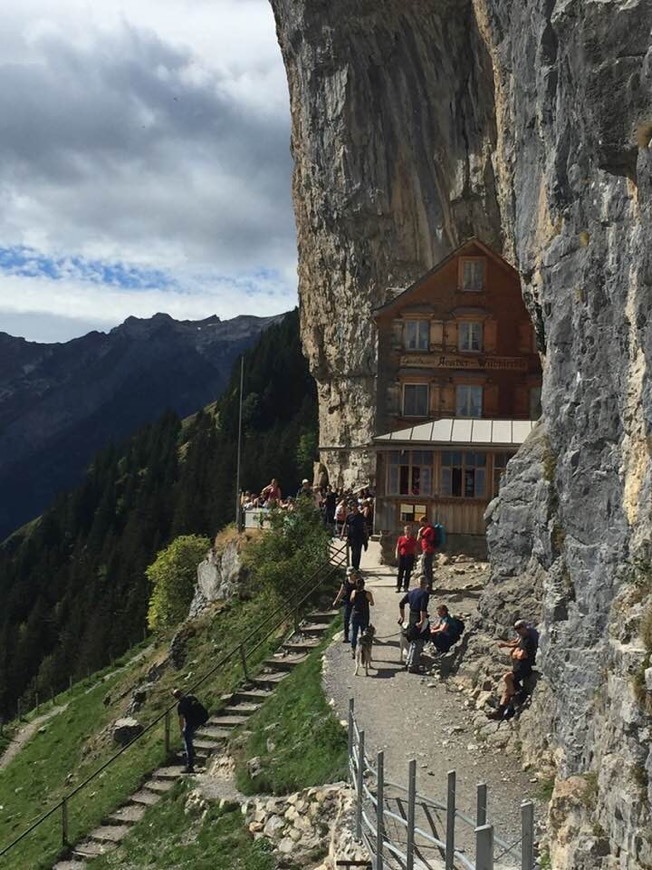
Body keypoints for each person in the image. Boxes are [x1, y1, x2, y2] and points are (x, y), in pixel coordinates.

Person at [486, 620, 538, 719]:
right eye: (516, 629)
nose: (517, 631)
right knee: (507, 690)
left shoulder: (529, 640)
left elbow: (521, 655)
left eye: (519, 628)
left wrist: (516, 652)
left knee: (507, 677)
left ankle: (515, 698)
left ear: (524, 627)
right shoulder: (522, 638)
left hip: (524, 668)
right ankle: (500, 711)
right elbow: (516, 647)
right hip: (518, 667)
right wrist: (511, 648)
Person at [398, 576, 430, 673]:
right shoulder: (424, 594)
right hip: (418, 617)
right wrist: (421, 621)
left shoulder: (411, 593)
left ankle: (408, 662)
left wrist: (402, 616)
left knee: (413, 640)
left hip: (411, 616)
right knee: (418, 641)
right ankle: (413, 665)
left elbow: (401, 603)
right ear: (426, 583)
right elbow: (423, 609)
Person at [172, 688, 200, 773]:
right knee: (189, 739)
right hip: (197, 721)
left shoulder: (180, 705)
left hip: (189, 723)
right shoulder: (191, 697)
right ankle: (192, 753)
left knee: (187, 742)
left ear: (176, 697)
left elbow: (181, 720)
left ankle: (190, 766)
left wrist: (181, 731)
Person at [349, 575, 374, 660]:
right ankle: (366, 652)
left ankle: (353, 650)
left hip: (355, 614)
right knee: (365, 634)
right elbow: (372, 603)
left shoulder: (353, 592)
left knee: (354, 633)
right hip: (364, 615)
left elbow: (351, 600)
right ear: (364, 584)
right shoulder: (367, 593)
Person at [333, 566, 359, 643]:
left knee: (357, 617)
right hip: (347, 602)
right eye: (349, 574)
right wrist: (336, 600)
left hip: (357, 601)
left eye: (351, 574)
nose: (350, 576)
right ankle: (346, 636)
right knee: (346, 619)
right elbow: (341, 592)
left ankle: (360, 633)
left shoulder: (358, 581)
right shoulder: (345, 582)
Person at [342, 502, 368, 570]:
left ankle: (357, 566)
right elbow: (345, 524)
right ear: (352, 508)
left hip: (359, 536)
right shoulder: (349, 516)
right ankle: (353, 565)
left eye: (356, 507)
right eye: (353, 507)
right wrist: (342, 534)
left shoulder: (361, 516)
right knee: (353, 552)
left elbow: (364, 525)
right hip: (352, 536)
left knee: (358, 552)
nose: (355, 508)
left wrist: (366, 535)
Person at [395, 524, 418, 592]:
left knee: (408, 573)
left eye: (409, 530)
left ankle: (406, 587)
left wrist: (416, 557)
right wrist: (397, 554)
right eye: (406, 530)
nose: (408, 531)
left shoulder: (413, 539)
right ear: (404, 531)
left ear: (411, 531)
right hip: (402, 556)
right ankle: (398, 587)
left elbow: (415, 548)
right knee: (400, 572)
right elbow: (398, 547)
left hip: (410, 556)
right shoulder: (401, 538)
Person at [416, 516, 436, 591]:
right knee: (427, 568)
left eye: (421, 522)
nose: (420, 524)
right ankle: (427, 586)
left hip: (427, 551)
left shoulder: (428, 530)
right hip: (429, 550)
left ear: (424, 522)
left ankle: (428, 587)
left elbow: (419, 539)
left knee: (426, 569)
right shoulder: (430, 529)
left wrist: (419, 532)